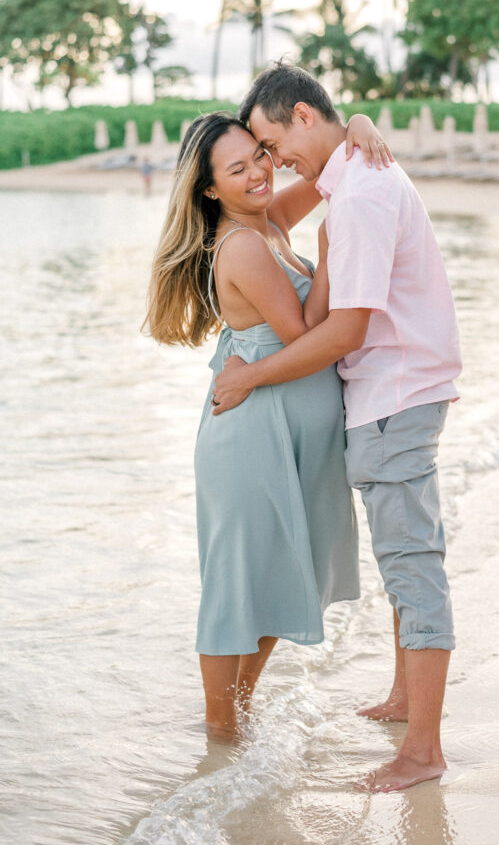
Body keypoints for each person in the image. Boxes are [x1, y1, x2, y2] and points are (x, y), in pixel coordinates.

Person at [212, 63, 462, 791]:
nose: (269, 160)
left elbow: (345, 330)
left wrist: (251, 374)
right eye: (254, 154)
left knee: (413, 569)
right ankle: (402, 699)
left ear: (300, 115)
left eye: (268, 141)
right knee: (399, 559)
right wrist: (354, 123)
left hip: (393, 397)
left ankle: (422, 751)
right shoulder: (354, 169)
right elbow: (287, 208)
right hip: (397, 395)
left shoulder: (358, 195)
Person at [144, 108, 393, 740]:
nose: (259, 171)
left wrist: (356, 122)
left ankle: (237, 721)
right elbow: (305, 334)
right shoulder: (245, 245)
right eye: (238, 168)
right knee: (236, 587)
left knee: (277, 579)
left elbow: (328, 173)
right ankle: (220, 739)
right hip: (253, 437)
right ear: (209, 189)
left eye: (259, 154)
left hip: (287, 431)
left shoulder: (271, 221)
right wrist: (333, 253)